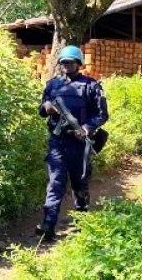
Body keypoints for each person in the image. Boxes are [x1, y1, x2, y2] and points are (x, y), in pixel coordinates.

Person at [36, 45, 109, 241]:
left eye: (71, 62)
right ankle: (48, 226)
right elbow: (41, 109)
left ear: (78, 64)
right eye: (64, 62)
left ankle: (82, 219)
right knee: (55, 182)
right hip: (58, 140)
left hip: (80, 143)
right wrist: (47, 107)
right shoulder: (52, 85)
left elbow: (102, 115)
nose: (67, 66)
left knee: (80, 182)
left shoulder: (91, 86)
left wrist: (87, 127)